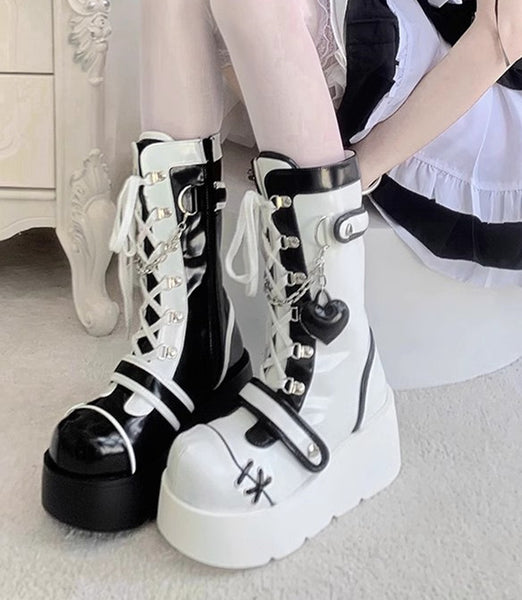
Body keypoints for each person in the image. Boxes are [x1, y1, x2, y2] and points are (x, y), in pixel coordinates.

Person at [41, 0, 522, 568]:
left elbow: (500, 40)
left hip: (474, 115)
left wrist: (356, 175)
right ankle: (191, 346)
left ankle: (338, 380)